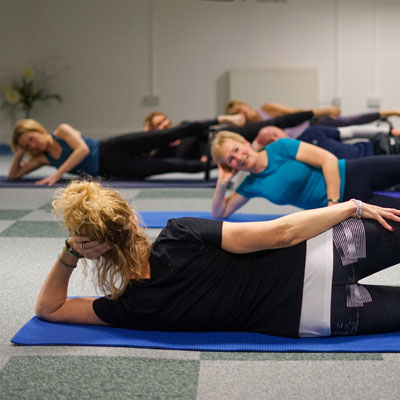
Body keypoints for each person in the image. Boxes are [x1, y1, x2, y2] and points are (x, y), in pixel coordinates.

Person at [35, 180, 400, 338]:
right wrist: (354, 207)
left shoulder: (127, 308)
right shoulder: (180, 234)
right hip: (327, 254)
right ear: (131, 220)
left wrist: (69, 255)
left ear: (92, 248)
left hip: (318, 315)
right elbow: (281, 234)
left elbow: (49, 310)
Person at [210, 131, 400, 219]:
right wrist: (222, 183)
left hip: (356, 173)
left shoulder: (280, 147)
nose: (238, 157)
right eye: (230, 160)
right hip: (350, 204)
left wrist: (332, 206)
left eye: (236, 149)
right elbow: (219, 213)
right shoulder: (251, 186)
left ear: (244, 142)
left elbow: (328, 160)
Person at [8, 116, 243, 185]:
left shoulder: (61, 129)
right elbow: (13, 177)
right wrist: (19, 151)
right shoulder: (43, 158)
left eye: (31, 138)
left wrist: (58, 174)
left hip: (113, 146)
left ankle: (222, 119)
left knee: (166, 134)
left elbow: (80, 150)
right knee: (169, 166)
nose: (33, 145)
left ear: (38, 129)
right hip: (113, 168)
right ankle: (223, 165)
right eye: (27, 145)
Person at [226, 99, 400, 140]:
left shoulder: (266, 108)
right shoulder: (249, 128)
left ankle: (388, 113)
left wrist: (321, 113)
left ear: (245, 105)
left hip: (310, 124)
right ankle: (387, 136)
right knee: (346, 138)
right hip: (302, 139)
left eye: (241, 109)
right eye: (237, 113)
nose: (243, 113)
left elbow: (294, 113)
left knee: (350, 123)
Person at [256, 124, 400, 159]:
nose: (276, 139)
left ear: (282, 130)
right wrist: (255, 145)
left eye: (275, 134)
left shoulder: (312, 132)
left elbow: (351, 131)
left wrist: (388, 130)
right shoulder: (289, 160)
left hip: (375, 149)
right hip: (363, 172)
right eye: (269, 141)